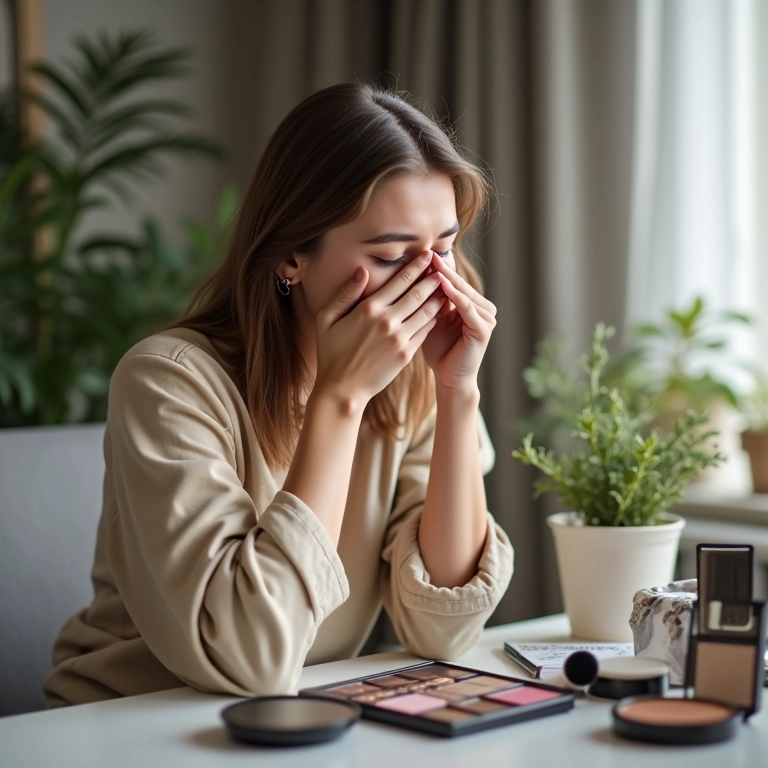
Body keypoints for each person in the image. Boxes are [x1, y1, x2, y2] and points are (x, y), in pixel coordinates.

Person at [43, 81, 514, 706]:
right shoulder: (168, 382)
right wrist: (340, 400)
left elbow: (443, 631)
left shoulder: (412, 381)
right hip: (128, 722)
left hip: (294, 722)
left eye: (445, 250)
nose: (430, 283)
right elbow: (252, 657)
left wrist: (457, 393)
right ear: (292, 255)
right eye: (393, 256)